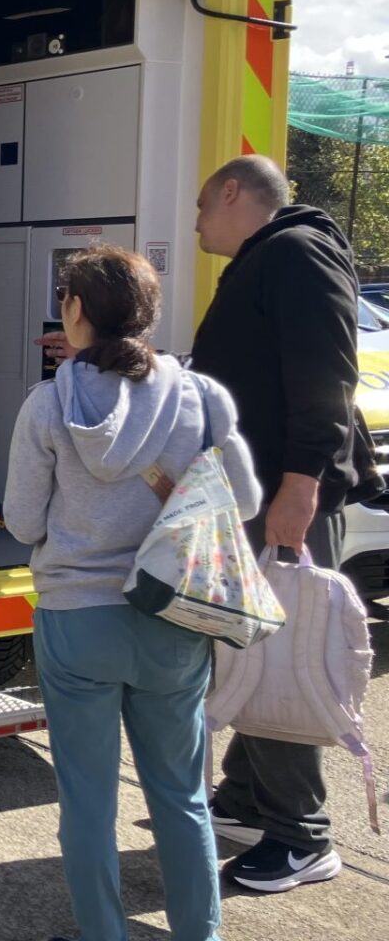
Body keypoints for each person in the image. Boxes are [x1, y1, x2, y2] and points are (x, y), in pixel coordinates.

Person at [7, 246, 258, 941]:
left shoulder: (48, 405)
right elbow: (243, 501)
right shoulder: (203, 397)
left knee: (87, 801)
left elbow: (24, 521)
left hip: (77, 619)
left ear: (77, 312)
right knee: (181, 798)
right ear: (147, 315)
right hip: (173, 615)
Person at [188, 155, 375, 893]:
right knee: (251, 652)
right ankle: (245, 801)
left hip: (283, 498)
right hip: (260, 495)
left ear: (233, 192)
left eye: (203, 204)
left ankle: (303, 835)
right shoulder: (273, 258)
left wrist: (301, 485)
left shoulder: (296, 253)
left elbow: (327, 374)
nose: (197, 219)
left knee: (286, 653)